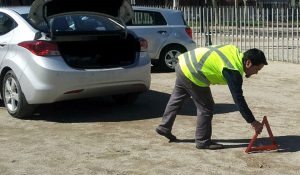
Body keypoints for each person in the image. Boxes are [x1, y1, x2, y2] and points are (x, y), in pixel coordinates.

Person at [155, 44, 267, 150]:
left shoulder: (234, 52)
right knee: (206, 107)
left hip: (183, 63)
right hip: (193, 71)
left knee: (177, 98)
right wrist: (252, 121)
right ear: (248, 63)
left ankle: (164, 127)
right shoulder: (233, 70)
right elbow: (238, 99)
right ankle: (202, 141)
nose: (256, 73)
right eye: (256, 69)